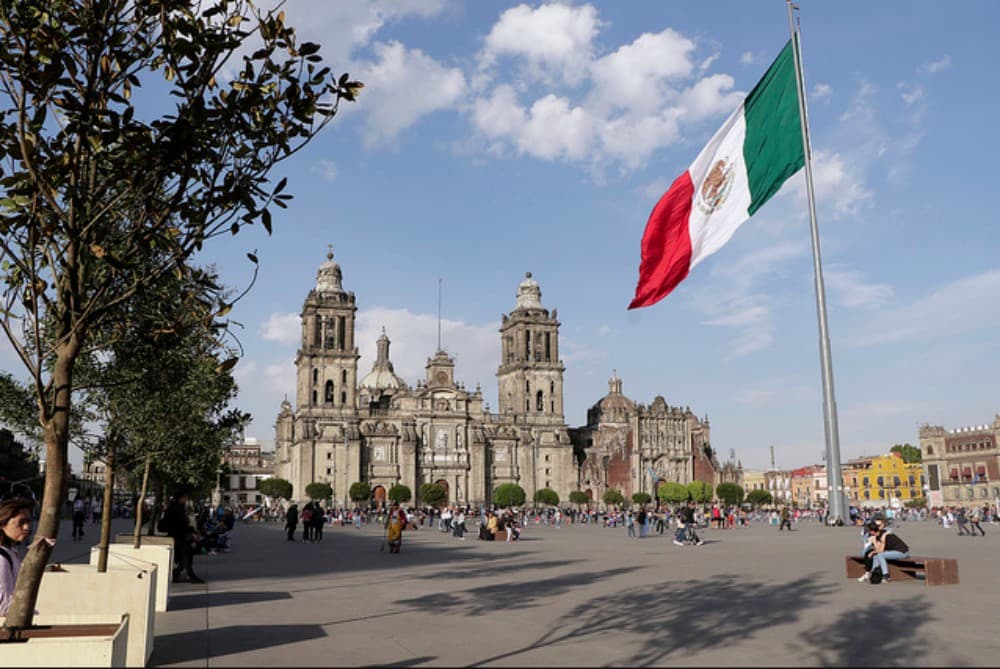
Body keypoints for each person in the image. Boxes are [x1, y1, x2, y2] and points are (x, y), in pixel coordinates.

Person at [159, 492, 205, 584]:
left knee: (183, 556)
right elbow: (180, 523)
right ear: (181, 498)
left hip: (175, 535)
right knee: (187, 554)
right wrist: (192, 532)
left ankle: (177, 573)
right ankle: (189, 575)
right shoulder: (178, 507)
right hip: (179, 536)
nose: (186, 500)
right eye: (185, 498)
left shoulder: (172, 506)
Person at [0, 497, 33, 616]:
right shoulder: (1, 559)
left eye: (28, 522)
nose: (26, 528)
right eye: (21, 522)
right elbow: (4, 606)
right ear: (3, 524)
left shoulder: (11, 552)